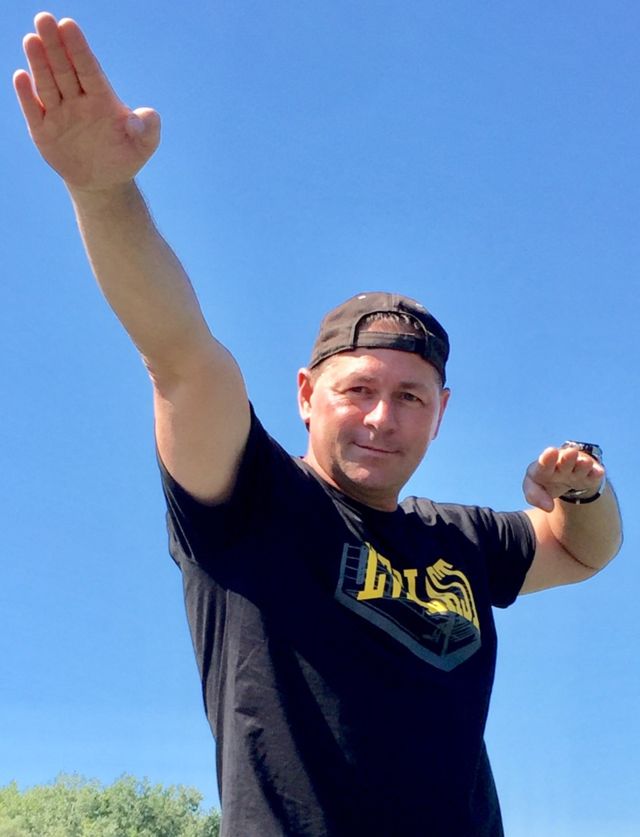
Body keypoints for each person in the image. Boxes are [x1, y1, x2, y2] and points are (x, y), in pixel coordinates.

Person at [14, 13, 622, 837]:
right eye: (357, 389)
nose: (382, 417)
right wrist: (101, 192)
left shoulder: (465, 542)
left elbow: (585, 550)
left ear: (441, 415)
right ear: (306, 394)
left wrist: (583, 493)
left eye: (411, 397)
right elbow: (181, 357)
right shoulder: (252, 502)